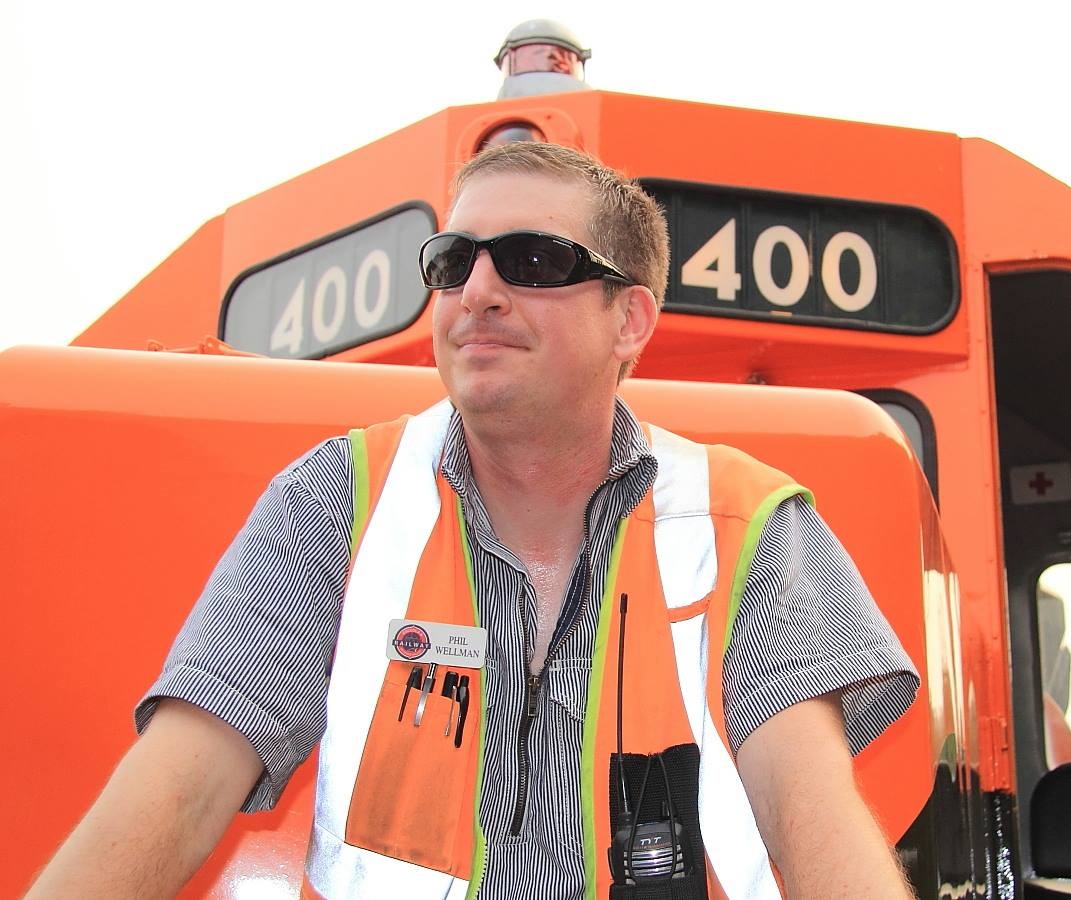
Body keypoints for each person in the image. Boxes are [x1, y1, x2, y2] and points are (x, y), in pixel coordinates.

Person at [29, 142, 919, 899]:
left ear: (630, 319)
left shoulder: (749, 527)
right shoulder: (334, 501)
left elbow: (810, 816)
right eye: (453, 262)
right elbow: (177, 792)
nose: (478, 290)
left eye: (532, 261)